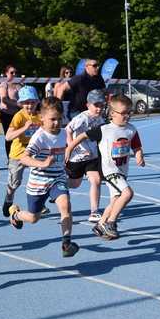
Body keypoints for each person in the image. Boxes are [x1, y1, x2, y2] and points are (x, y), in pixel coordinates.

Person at [8, 97, 80, 257]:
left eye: (59, 119)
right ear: (42, 118)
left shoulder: (63, 133)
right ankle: (16, 214)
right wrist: (43, 164)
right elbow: (24, 158)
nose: (56, 123)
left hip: (57, 178)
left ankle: (66, 243)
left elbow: (66, 149)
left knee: (65, 206)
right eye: (52, 119)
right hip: (38, 182)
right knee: (33, 218)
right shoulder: (39, 137)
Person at [66, 94, 145, 240]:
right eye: (123, 113)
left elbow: (136, 145)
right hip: (109, 170)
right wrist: (70, 147)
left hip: (122, 170)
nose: (127, 116)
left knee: (115, 200)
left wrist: (139, 155)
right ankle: (111, 222)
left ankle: (100, 225)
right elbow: (83, 135)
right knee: (127, 193)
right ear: (113, 114)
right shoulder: (104, 129)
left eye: (129, 112)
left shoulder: (131, 129)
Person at [1, 85, 45, 217]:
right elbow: (8, 136)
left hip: (34, 153)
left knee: (41, 177)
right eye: (26, 103)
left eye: (32, 102)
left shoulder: (40, 116)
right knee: (14, 183)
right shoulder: (19, 116)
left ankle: (39, 204)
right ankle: (8, 200)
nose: (29, 106)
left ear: (37, 102)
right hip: (18, 154)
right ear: (21, 103)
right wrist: (24, 128)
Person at [65, 90, 106, 222]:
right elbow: (68, 129)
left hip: (92, 157)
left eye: (102, 105)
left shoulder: (101, 119)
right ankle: (54, 186)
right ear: (88, 105)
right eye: (96, 105)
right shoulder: (82, 118)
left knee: (96, 180)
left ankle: (94, 212)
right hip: (76, 158)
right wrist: (71, 145)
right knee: (74, 184)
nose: (99, 108)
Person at [0, 64, 20, 158]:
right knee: (9, 137)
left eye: (15, 72)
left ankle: (19, 156)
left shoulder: (19, 84)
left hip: (18, 114)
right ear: (6, 73)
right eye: (11, 72)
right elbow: (4, 99)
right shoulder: (4, 84)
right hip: (7, 114)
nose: (14, 74)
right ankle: (9, 157)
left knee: (19, 137)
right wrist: (17, 104)